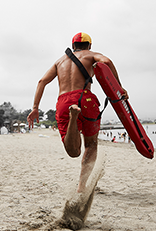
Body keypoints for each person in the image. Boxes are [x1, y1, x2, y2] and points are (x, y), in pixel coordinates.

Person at [27, 32, 128, 193]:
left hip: (64, 101)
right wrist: (119, 87)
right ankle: (81, 187)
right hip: (85, 98)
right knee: (91, 144)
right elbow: (107, 61)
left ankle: (73, 118)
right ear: (89, 45)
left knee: (73, 152)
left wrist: (35, 108)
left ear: (73, 46)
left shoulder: (59, 61)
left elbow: (42, 81)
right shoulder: (91, 55)